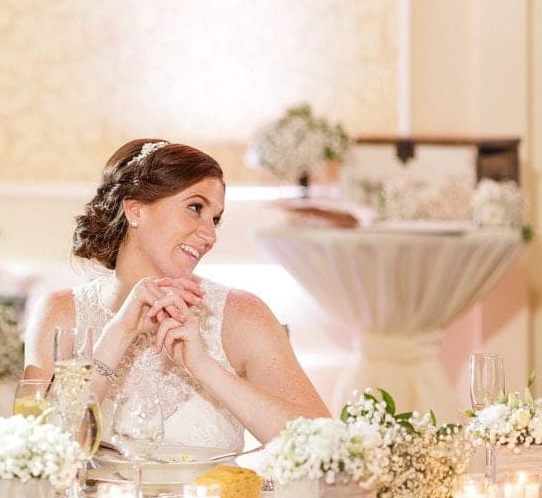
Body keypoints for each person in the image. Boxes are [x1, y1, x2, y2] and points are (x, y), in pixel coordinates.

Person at [24, 139, 328, 449]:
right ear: (135, 210)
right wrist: (117, 335)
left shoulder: (240, 315)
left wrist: (204, 366)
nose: (210, 235)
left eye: (215, 219)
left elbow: (324, 444)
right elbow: (36, 459)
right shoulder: (59, 315)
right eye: (195, 208)